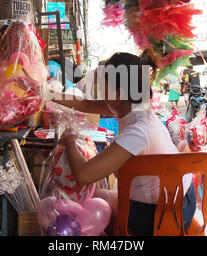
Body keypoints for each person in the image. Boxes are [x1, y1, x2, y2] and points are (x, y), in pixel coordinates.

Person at [52, 50, 196, 235]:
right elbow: (86, 105)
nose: (100, 93)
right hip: (178, 200)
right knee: (96, 195)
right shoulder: (134, 105)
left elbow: (83, 175)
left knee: (88, 195)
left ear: (118, 93)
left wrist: (71, 142)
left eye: (103, 87)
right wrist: (45, 94)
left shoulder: (138, 131)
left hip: (161, 215)